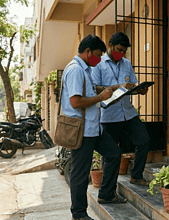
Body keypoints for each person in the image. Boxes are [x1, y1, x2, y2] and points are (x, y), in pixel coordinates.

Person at [61, 34, 127, 220]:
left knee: (114, 153)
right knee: (80, 174)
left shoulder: (86, 69)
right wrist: (101, 98)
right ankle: (79, 214)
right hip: (82, 131)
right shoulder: (75, 70)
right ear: (88, 52)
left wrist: (115, 88)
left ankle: (106, 195)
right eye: (97, 55)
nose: (98, 60)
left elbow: (92, 89)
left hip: (94, 129)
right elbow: (75, 102)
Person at [92, 32, 151, 187]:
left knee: (144, 140)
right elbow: (95, 88)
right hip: (109, 115)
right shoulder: (99, 64)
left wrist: (140, 90)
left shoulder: (127, 64)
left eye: (124, 51)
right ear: (110, 46)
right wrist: (117, 87)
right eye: (119, 50)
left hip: (128, 113)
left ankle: (136, 176)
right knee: (110, 155)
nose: (122, 54)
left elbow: (132, 85)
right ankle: (107, 189)